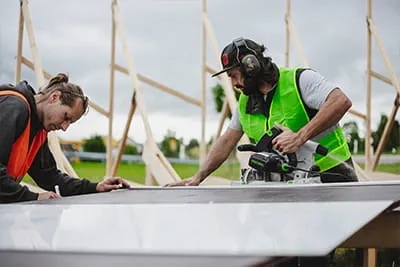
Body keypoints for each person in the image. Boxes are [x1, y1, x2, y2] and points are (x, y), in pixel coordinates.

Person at [168, 37, 358, 187]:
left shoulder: (300, 80)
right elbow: (226, 141)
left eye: (234, 75)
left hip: (333, 177)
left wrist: (300, 137)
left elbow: (340, 101)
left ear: (251, 66)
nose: (233, 84)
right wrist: (197, 178)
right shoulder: (245, 101)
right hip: (290, 185)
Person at [0, 73, 130, 203]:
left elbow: (50, 178)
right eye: (66, 117)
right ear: (54, 97)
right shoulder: (14, 107)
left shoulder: (37, 131)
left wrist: (95, 187)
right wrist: (33, 197)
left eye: (70, 122)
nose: (64, 127)